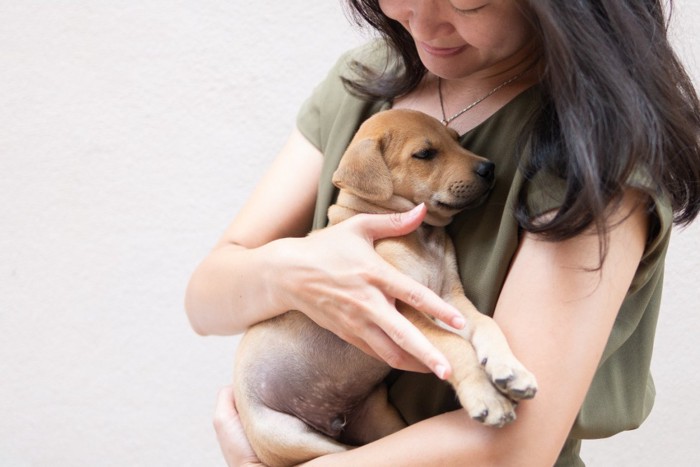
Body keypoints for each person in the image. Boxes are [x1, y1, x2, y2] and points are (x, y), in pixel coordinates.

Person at [185, 0, 700, 465]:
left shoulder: (589, 149)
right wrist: (301, 272)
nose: (424, 24)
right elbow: (205, 300)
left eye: (467, 1)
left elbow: (515, 449)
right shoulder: (366, 82)